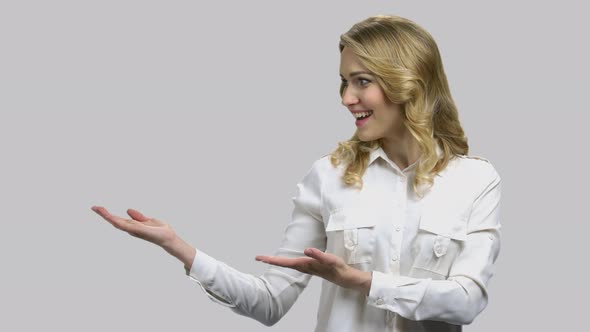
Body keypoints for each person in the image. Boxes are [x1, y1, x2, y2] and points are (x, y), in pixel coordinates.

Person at [91, 14, 502, 332]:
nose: (346, 98)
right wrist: (179, 248)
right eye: (343, 82)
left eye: (362, 82)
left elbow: (467, 300)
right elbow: (270, 302)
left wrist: (359, 280)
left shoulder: (474, 181)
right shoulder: (329, 176)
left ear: (408, 82)